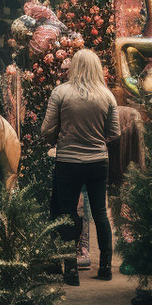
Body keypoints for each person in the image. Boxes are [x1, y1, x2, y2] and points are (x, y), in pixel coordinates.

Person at [41, 49, 121, 284]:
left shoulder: (61, 93)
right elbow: (114, 133)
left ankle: (70, 270)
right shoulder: (107, 96)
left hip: (68, 162)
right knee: (99, 213)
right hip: (98, 162)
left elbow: (46, 129)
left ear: (74, 67)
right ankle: (105, 268)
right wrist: (96, 140)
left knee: (67, 213)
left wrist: (59, 138)